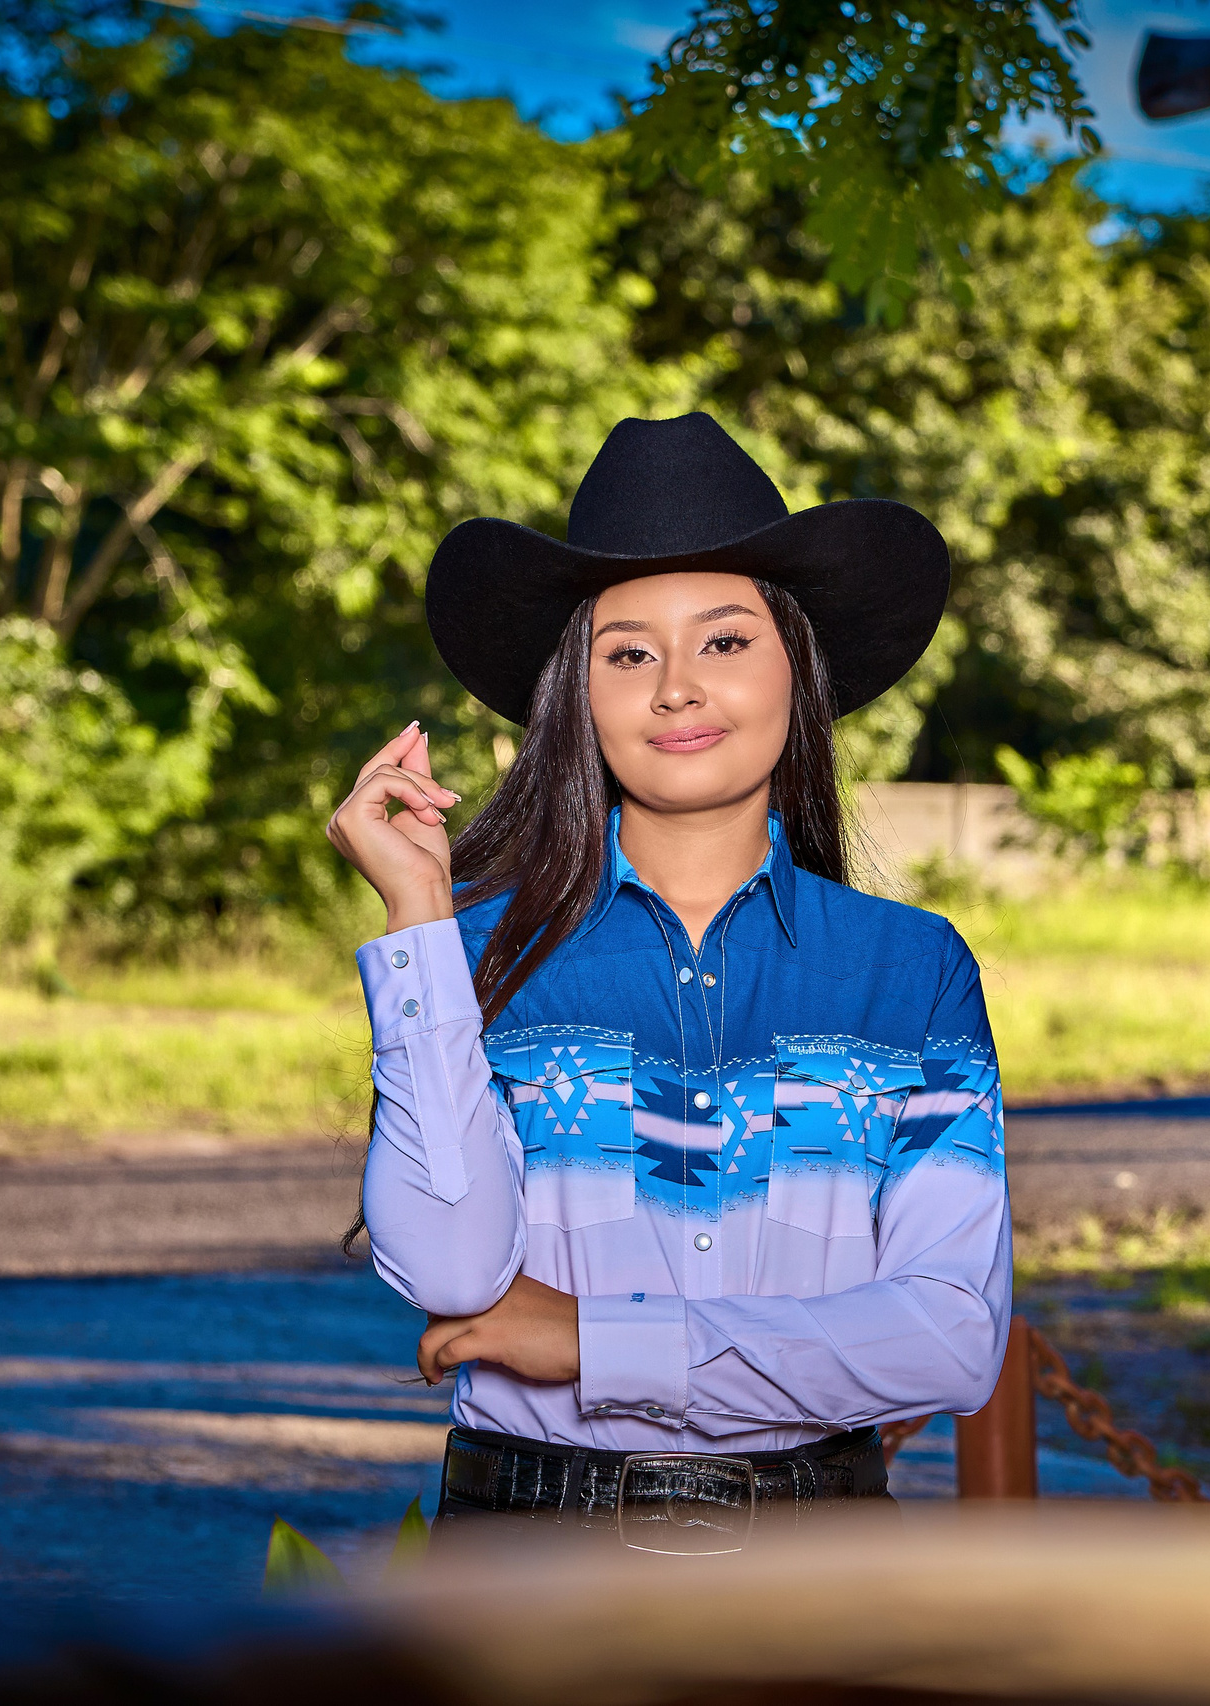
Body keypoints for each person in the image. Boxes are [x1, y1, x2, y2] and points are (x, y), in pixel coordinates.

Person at [325, 413, 1009, 1554]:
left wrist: (598, 1340)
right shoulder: (468, 956)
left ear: (798, 668)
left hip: (822, 1574)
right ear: (577, 694)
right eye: (630, 653)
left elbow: (948, 1340)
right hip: (524, 1565)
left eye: (725, 641)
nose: (677, 689)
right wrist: (418, 922)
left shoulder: (911, 967)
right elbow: (450, 1268)